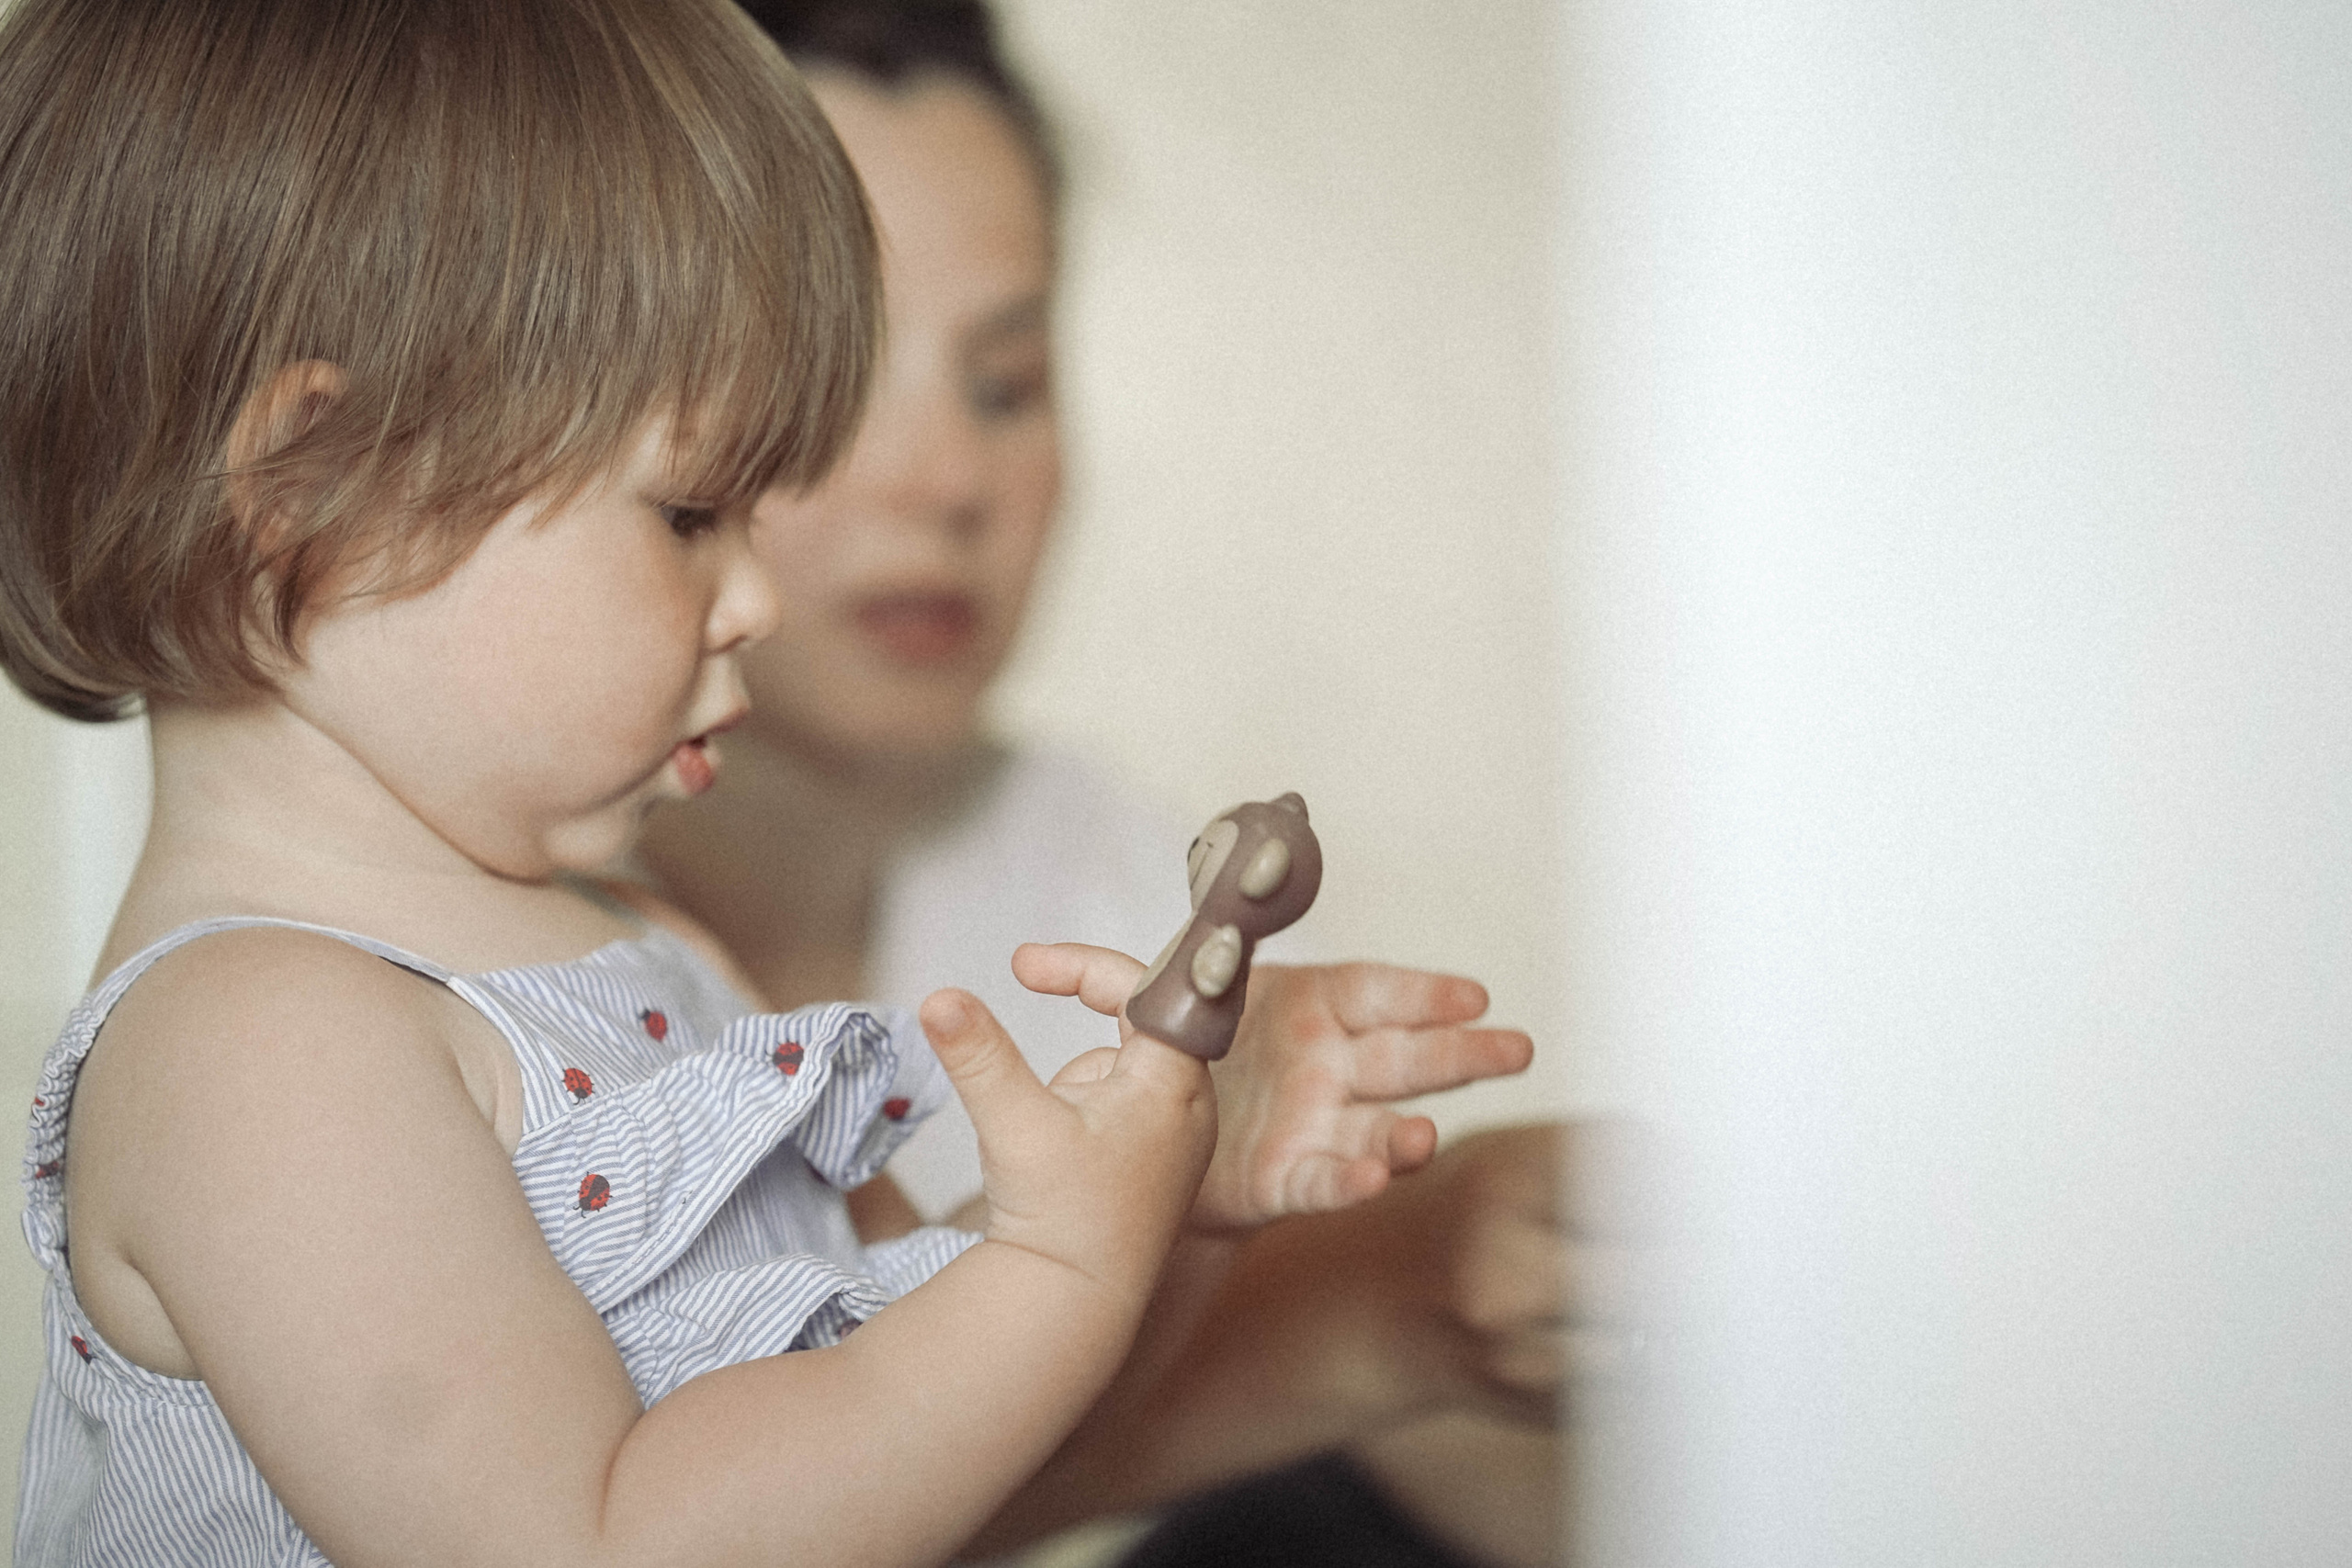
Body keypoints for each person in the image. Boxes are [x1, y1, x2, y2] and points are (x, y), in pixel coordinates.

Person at [0, 3, 1532, 1563]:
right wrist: (1059, 1266)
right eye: (689, 516)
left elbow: (873, 1427)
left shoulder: (640, 955)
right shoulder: (260, 1055)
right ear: (316, 495)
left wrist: (1162, 1194)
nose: (757, 599)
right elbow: (602, 1544)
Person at [636, 5, 1596, 1563]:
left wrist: (1546, 1306)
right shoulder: (472, 969)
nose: (950, 480)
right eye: (840, 373)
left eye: (1005, 384)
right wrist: (1371, 1308)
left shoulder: (1099, 881)